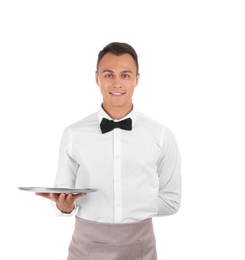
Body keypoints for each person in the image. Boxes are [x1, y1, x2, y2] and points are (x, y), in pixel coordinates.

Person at [36, 42, 182, 260]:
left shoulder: (161, 135)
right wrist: (64, 206)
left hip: (141, 246)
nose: (116, 83)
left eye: (125, 75)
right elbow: (61, 201)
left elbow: (172, 201)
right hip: (85, 247)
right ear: (97, 78)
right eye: (108, 75)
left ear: (136, 80)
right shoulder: (74, 134)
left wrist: (131, 203)